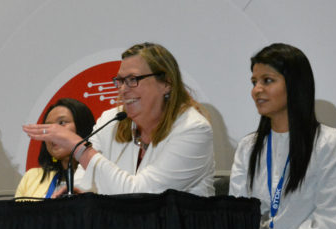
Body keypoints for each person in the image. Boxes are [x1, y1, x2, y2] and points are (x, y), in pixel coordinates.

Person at [229, 43, 336, 229]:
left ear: (295, 85)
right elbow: (238, 218)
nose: (257, 90)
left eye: (267, 80)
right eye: (254, 81)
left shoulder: (329, 143)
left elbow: (329, 222)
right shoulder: (248, 147)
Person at [23, 42, 215, 196]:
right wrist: (77, 195)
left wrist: (81, 149)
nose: (123, 89)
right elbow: (85, 179)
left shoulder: (194, 129)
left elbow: (142, 196)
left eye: (133, 79)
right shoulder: (112, 119)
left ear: (166, 83)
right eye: (120, 81)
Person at [15, 98, 95, 199]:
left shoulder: (99, 177)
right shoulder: (31, 178)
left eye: (62, 123)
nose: (54, 132)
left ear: (82, 128)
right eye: (48, 127)